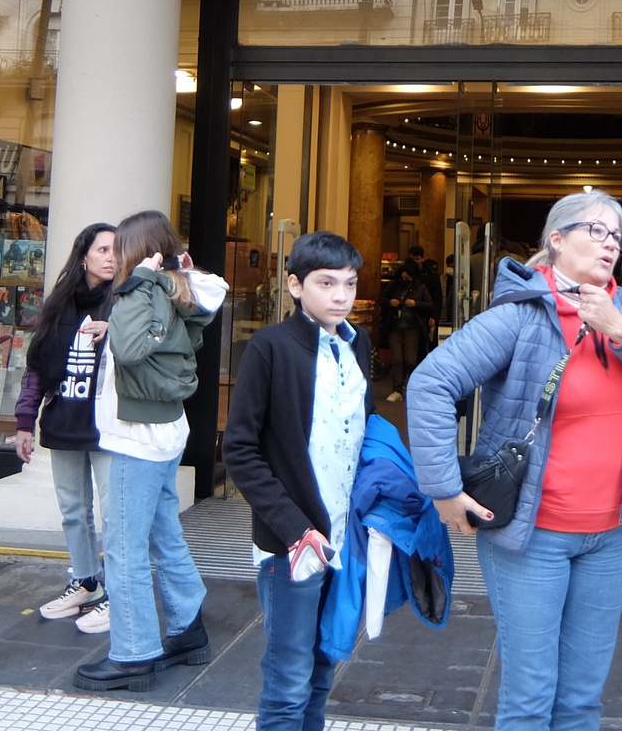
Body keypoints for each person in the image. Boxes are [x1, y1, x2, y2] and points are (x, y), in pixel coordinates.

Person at [407, 191, 622, 731]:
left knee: (583, 702)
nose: (611, 243)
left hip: (610, 535)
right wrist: (445, 489)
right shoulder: (521, 314)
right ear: (556, 240)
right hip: (531, 537)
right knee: (530, 700)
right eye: (596, 230)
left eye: (618, 234)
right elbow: (430, 383)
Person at [222, 232, 372, 731]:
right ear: (294, 285)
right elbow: (239, 448)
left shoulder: (358, 344)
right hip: (292, 544)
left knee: (324, 666)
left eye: (349, 284)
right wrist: (293, 528)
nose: (340, 296)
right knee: (288, 680)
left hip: (344, 535)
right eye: (326, 283)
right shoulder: (269, 347)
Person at [73, 210, 227, 692]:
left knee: (123, 547)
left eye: (120, 247)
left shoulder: (144, 289)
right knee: (163, 534)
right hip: (163, 429)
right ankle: (187, 629)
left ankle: (133, 652)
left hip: (137, 436)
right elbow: (156, 336)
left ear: (138, 250)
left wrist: (137, 282)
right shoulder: (173, 287)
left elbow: (134, 347)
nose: (113, 255)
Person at [13, 222, 116, 627]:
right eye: (103, 249)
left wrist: (115, 331)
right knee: (74, 511)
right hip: (63, 420)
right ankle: (86, 582)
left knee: (113, 513)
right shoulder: (59, 304)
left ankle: (119, 592)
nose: (111, 257)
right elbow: (36, 368)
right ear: (84, 255)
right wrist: (25, 421)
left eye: (116, 251)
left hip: (108, 427)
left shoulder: (124, 302)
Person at [381, 260, 434, 402]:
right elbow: (382, 299)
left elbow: (430, 304)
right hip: (395, 327)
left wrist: (416, 304)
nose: (404, 280)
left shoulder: (420, 288)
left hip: (413, 328)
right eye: (402, 278)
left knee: (411, 359)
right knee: (397, 359)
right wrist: (390, 302)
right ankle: (397, 389)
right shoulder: (393, 286)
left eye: (407, 278)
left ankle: (411, 386)